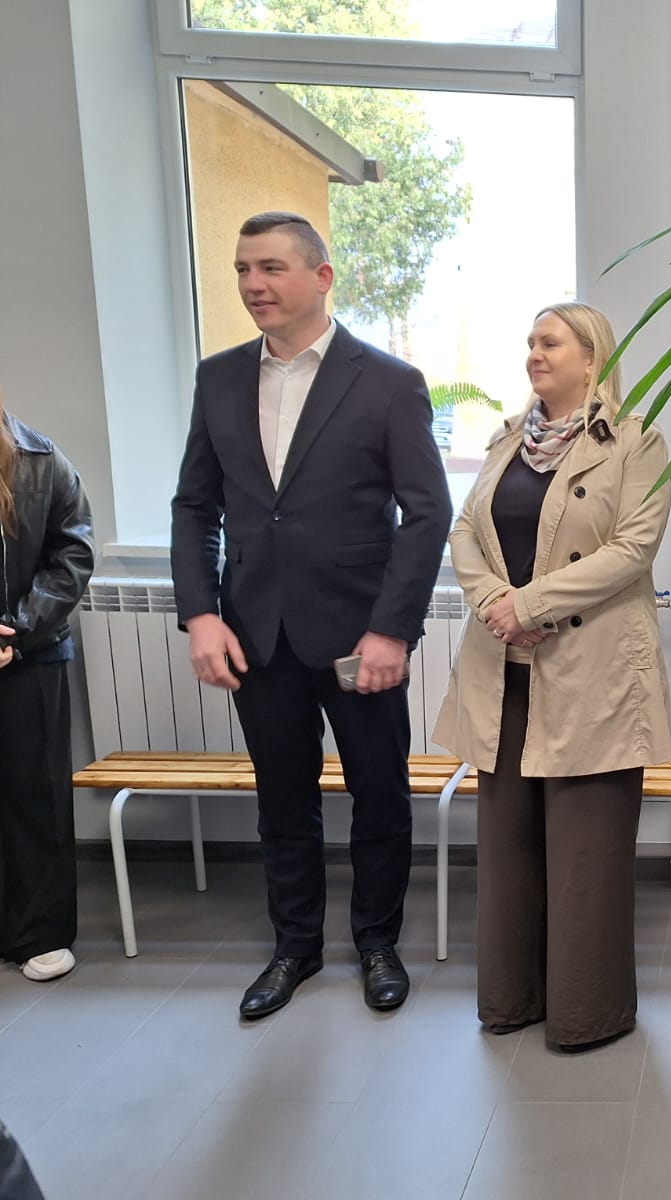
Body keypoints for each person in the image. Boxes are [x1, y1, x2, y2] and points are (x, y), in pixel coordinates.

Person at [171, 211, 451, 1019]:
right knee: (282, 801)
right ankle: (293, 947)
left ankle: (377, 944)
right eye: (242, 269)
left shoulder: (389, 382)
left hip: (360, 637)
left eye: (271, 268)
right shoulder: (218, 378)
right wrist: (200, 614)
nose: (253, 284)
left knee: (379, 794)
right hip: (256, 634)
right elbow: (195, 506)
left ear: (322, 277)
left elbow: (426, 513)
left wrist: (392, 629)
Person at [432, 302, 671, 1051]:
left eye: (550, 342)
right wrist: (494, 605)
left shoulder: (636, 441)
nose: (534, 353)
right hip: (503, 669)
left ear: (592, 357)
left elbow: (632, 549)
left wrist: (529, 604)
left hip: (593, 673)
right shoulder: (507, 439)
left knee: (585, 855)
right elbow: (464, 530)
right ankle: (510, 1000)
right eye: (530, 342)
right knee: (507, 850)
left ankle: (585, 1014)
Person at [0, 390, 94, 984]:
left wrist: (19, 628)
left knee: (35, 795)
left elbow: (72, 554)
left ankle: (40, 933)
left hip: (30, 653)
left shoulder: (41, 460)